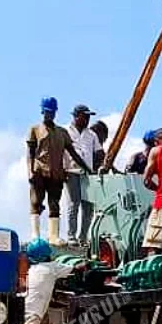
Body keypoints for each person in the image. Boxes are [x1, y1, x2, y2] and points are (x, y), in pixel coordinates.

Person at [27, 97, 79, 244]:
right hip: (39, 172)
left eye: (52, 112)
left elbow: (72, 152)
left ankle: (53, 235)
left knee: (54, 204)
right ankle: (35, 235)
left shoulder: (62, 132)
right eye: (47, 112)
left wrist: (87, 168)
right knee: (36, 202)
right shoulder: (35, 130)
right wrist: (30, 172)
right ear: (42, 111)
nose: (49, 115)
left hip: (56, 173)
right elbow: (30, 153)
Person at [64, 104, 102, 246]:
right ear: (76, 116)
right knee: (74, 204)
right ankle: (71, 236)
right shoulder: (66, 131)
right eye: (84, 116)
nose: (87, 119)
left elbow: (99, 152)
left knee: (88, 207)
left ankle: (83, 237)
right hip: (71, 171)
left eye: (88, 117)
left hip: (88, 174)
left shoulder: (92, 135)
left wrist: (99, 167)